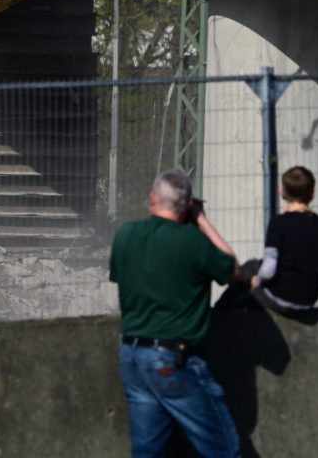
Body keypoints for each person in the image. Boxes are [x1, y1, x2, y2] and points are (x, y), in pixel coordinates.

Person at [109, 169, 241, 458]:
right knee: (224, 448)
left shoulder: (126, 235)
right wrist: (202, 220)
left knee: (147, 451)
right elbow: (232, 270)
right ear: (188, 204)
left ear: (153, 198)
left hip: (132, 354)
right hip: (172, 359)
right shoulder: (192, 242)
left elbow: (123, 278)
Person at [250, 165, 318, 313]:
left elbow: (268, 270)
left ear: (282, 193)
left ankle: (216, 321)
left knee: (249, 269)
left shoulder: (278, 223)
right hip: (309, 299)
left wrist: (256, 282)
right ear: (313, 194)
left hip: (282, 297)